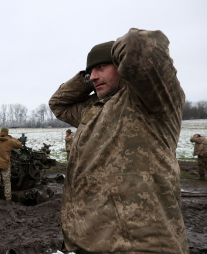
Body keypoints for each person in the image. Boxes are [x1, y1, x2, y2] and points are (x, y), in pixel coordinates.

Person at [49, 28, 189, 253]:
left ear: (123, 67)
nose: (93, 76)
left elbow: (139, 45)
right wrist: (87, 81)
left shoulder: (149, 101)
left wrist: (121, 60)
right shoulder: (92, 109)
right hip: (88, 242)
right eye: (90, 72)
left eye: (101, 67)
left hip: (141, 245)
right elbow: (58, 104)